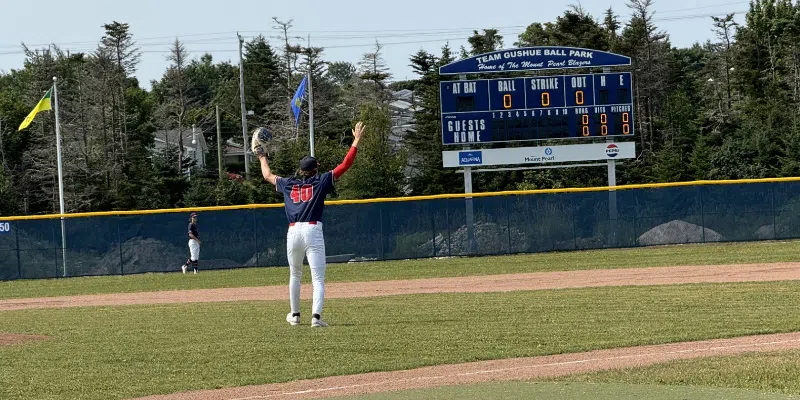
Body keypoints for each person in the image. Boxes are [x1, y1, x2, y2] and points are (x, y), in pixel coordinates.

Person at [253, 122, 365, 327]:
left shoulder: (288, 183)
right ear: (315, 169)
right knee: (317, 278)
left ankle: (295, 315)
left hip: (293, 231)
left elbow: (267, 175)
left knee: (295, 274)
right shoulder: (321, 181)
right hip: (313, 230)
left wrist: (261, 157)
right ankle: (316, 318)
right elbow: (345, 165)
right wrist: (355, 142)